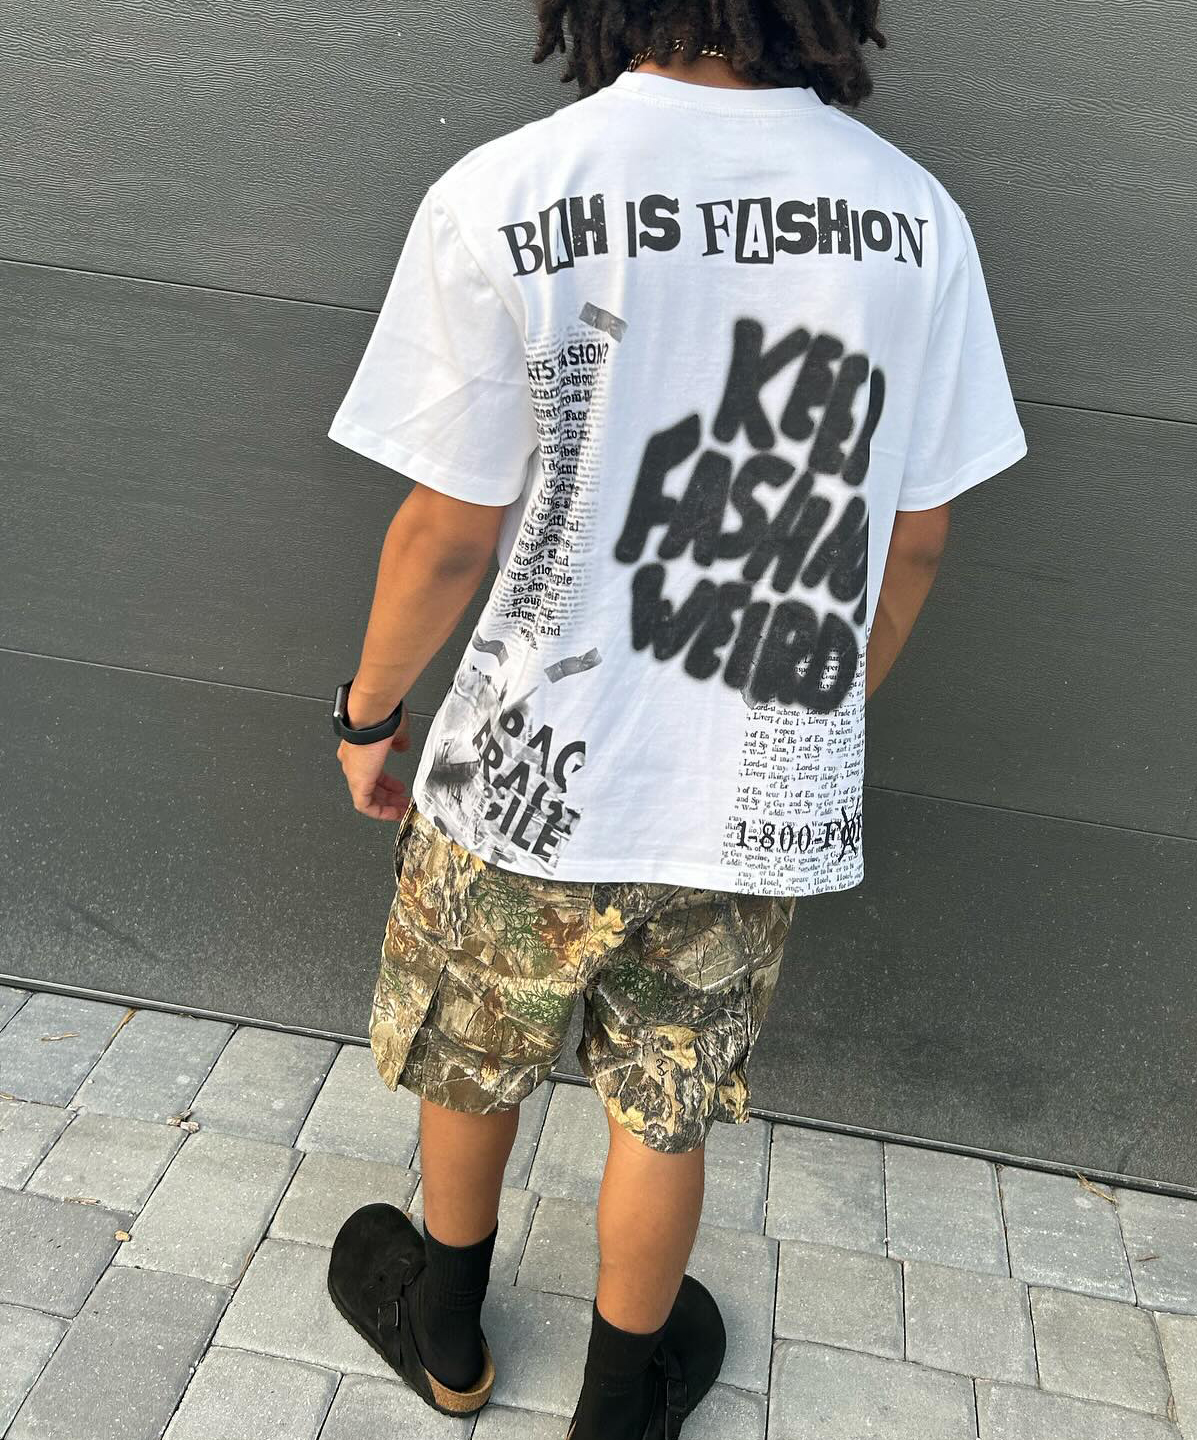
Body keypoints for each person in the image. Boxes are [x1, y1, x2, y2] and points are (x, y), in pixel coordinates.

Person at [323, 3, 1027, 1435]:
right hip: (744, 800)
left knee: (475, 1045)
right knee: (667, 1100)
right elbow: (919, 538)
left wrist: (367, 712)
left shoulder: (512, 191)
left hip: (525, 771)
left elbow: (447, 532)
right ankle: (618, 1407)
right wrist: (821, 711)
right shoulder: (915, 220)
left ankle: (448, 1344)